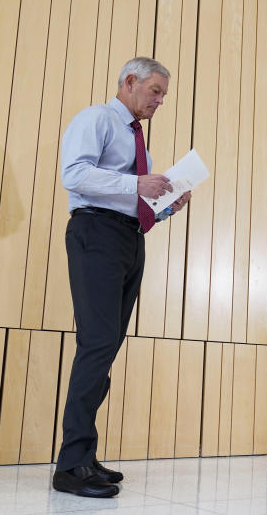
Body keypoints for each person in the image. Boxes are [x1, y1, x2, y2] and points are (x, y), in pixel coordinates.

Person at [52, 57, 191, 498]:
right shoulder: (96, 119)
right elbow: (74, 175)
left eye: (163, 94)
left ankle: (85, 455)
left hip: (128, 239)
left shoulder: (137, 139)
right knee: (96, 344)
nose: (160, 101)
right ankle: (70, 465)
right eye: (154, 91)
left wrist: (164, 205)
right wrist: (138, 186)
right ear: (129, 82)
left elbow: (130, 196)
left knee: (106, 346)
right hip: (96, 234)